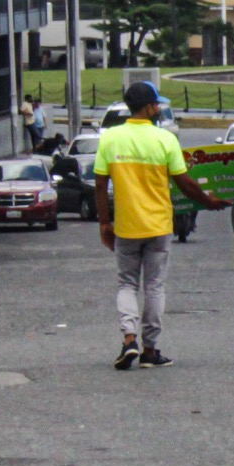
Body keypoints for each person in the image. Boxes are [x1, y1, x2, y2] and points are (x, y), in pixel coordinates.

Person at [93, 81, 224, 369]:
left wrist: (105, 222)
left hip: (126, 226)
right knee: (154, 285)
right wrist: (207, 201)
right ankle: (150, 350)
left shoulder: (110, 139)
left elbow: (101, 185)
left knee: (127, 284)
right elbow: (185, 182)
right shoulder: (165, 140)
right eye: (156, 104)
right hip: (159, 225)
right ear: (150, 107)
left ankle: (129, 340)